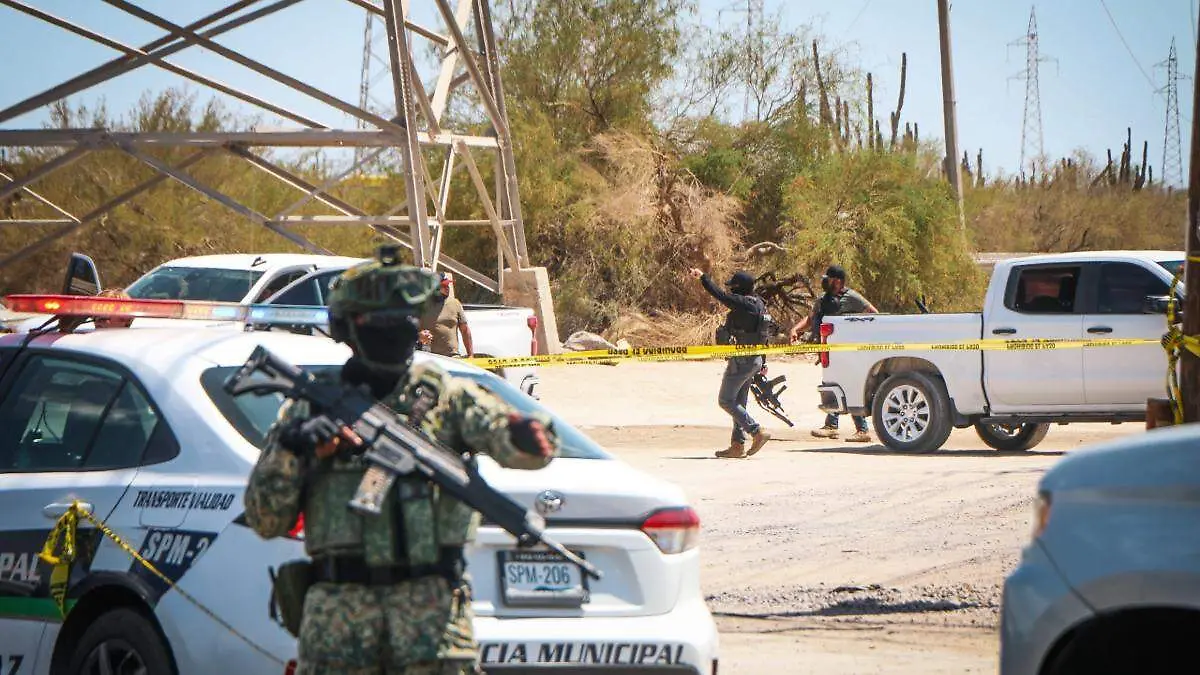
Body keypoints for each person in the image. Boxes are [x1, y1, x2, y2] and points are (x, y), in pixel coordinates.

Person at [243, 246, 561, 675]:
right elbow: (265, 520)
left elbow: (526, 446)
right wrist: (294, 450)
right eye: (380, 321)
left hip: (432, 624)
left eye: (404, 319)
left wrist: (530, 434)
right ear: (347, 328)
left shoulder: (448, 399)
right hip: (339, 626)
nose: (396, 330)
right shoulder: (308, 410)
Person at [688, 266, 772, 459]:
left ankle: (756, 431)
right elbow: (763, 335)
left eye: (733, 287)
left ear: (739, 288)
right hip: (755, 360)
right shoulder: (759, 304)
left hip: (742, 361)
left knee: (725, 401)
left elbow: (720, 295)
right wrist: (764, 362)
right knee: (739, 402)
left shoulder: (744, 303)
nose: (731, 291)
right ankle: (737, 445)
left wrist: (703, 278)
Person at [788, 264, 878, 443]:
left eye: (828, 278)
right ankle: (831, 426)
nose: (825, 281)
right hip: (828, 350)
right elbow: (812, 318)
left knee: (850, 385)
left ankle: (862, 430)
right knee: (832, 385)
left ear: (837, 281)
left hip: (848, 352)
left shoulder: (851, 297)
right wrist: (796, 329)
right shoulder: (823, 298)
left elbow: (873, 314)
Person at [418, 271, 473, 358]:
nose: (447, 288)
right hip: (429, 358)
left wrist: (470, 355)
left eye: (448, 285)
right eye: (444, 286)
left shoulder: (455, 303)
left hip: (453, 357)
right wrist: (420, 335)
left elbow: (465, 331)